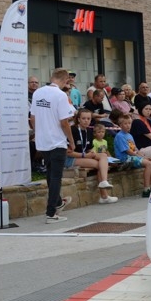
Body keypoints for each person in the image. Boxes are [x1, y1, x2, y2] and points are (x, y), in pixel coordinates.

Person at [30, 68, 75, 224]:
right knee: (56, 177)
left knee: (50, 174)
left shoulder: (38, 93)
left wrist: (38, 133)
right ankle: (51, 213)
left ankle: (57, 202)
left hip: (43, 141)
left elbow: (33, 118)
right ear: (65, 80)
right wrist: (71, 141)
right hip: (57, 141)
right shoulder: (61, 95)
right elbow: (64, 122)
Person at [68, 109, 117, 204]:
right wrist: (85, 155)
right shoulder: (72, 130)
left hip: (84, 155)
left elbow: (88, 148)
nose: (86, 121)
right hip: (71, 158)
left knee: (103, 155)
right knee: (99, 165)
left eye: (88, 118)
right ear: (78, 119)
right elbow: (68, 152)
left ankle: (104, 182)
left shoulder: (89, 131)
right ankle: (104, 196)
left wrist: (92, 152)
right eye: (83, 118)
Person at [113, 113, 151, 198]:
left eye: (129, 123)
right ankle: (146, 189)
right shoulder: (119, 136)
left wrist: (141, 155)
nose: (128, 125)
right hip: (125, 159)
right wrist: (140, 157)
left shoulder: (129, 135)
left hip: (133, 156)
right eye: (125, 123)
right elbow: (128, 151)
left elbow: (135, 148)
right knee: (148, 163)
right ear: (120, 125)